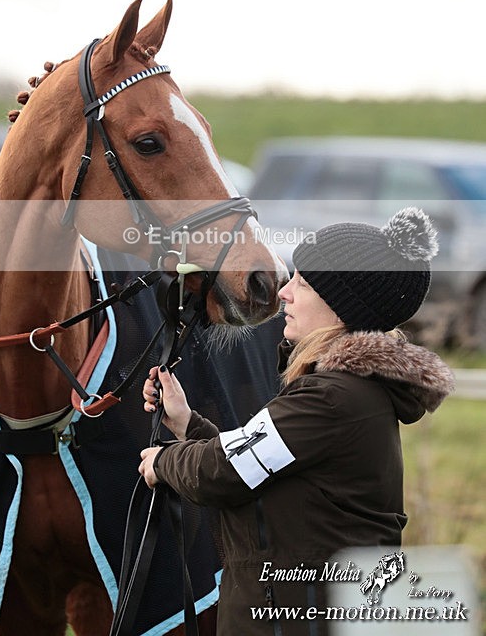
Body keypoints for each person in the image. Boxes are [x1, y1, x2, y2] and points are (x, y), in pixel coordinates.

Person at [139, 207, 455, 635]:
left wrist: (163, 463)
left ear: (340, 309)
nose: (284, 293)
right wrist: (188, 425)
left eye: (302, 283)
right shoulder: (345, 392)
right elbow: (260, 469)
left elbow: (226, 472)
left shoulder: (333, 397)